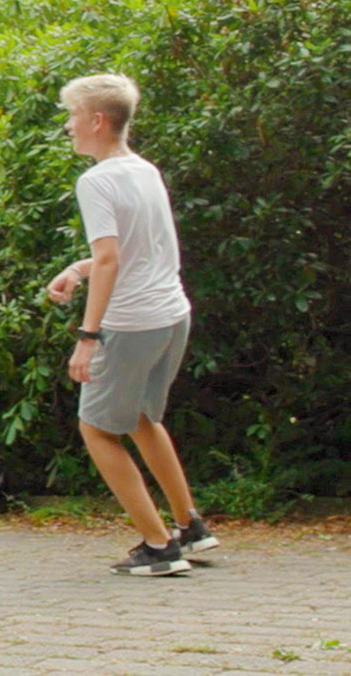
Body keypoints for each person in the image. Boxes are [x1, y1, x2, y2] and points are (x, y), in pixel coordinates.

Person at [45, 74, 218, 577]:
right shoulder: (144, 170)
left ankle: (159, 547)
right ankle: (191, 527)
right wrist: (77, 270)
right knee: (143, 417)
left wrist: (88, 337)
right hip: (171, 315)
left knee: (96, 429)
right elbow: (136, 250)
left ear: (98, 120)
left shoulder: (95, 180)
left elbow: (111, 259)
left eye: (73, 115)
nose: (69, 126)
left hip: (132, 322)